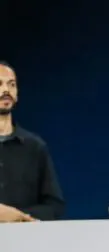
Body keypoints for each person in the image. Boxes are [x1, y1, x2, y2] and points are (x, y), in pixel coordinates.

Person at [0, 61, 64, 222]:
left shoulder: (34, 147)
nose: (6, 90)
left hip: (25, 242)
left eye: (11, 84)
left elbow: (54, 206)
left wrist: (16, 216)